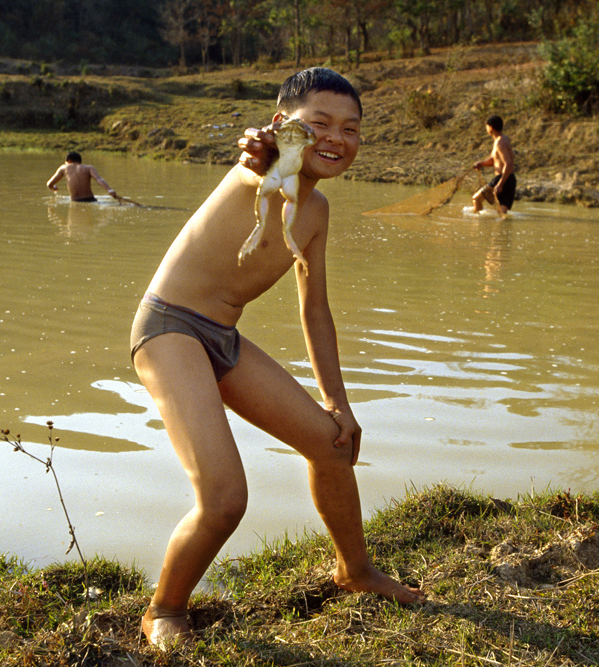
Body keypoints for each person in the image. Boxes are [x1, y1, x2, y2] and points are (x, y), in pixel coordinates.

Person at [130, 67, 425, 648]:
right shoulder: (260, 173)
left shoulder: (316, 214)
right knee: (225, 499)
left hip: (222, 338)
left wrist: (337, 402)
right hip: (169, 329)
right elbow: (254, 157)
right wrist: (262, 149)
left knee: (332, 442)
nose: (335, 138)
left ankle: (356, 572)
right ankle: (164, 609)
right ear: (283, 125)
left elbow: (316, 311)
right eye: (318, 124)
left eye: (351, 128)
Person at [471, 115, 516, 215]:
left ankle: (479, 225)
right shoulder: (502, 139)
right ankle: (499, 230)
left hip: (503, 178)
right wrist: (482, 164)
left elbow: (508, 164)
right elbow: (495, 161)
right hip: (509, 179)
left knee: (476, 199)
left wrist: (500, 183)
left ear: (491, 127)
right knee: (501, 213)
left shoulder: (500, 142)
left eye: (486, 126)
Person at [46, 151, 117, 202]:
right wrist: (109, 190)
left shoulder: (64, 168)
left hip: (75, 201)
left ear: (69, 160)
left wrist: (54, 187)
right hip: (91, 200)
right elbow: (98, 179)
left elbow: (49, 184)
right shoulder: (89, 167)